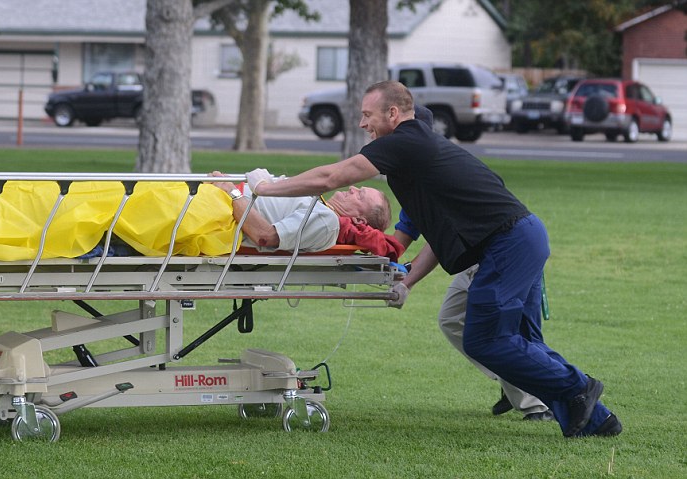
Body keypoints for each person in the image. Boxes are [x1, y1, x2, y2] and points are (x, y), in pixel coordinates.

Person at [247, 80, 620, 438]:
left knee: (485, 340)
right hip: (519, 238)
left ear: (393, 114)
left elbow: (332, 176)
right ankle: (597, 422)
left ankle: (579, 386)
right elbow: (430, 238)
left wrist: (266, 187)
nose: (362, 124)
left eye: (367, 115)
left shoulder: (405, 143)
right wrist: (404, 279)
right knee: (520, 340)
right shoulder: (419, 156)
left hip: (509, 243)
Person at [395, 211, 552, 421]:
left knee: (514, 332)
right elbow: (402, 234)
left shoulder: (434, 183)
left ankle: (539, 405)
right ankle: (512, 377)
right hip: (475, 256)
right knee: (451, 318)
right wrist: (385, 264)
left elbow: (438, 243)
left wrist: (407, 281)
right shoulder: (411, 188)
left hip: (506, 250)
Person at [208, 172, 403, 260]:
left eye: (360, 195)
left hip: (214, 213)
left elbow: (264, 236)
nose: (352, 188)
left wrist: (232, 192)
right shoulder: (317, 203)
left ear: (359, 220)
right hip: (214, 201)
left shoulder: (327, 221)